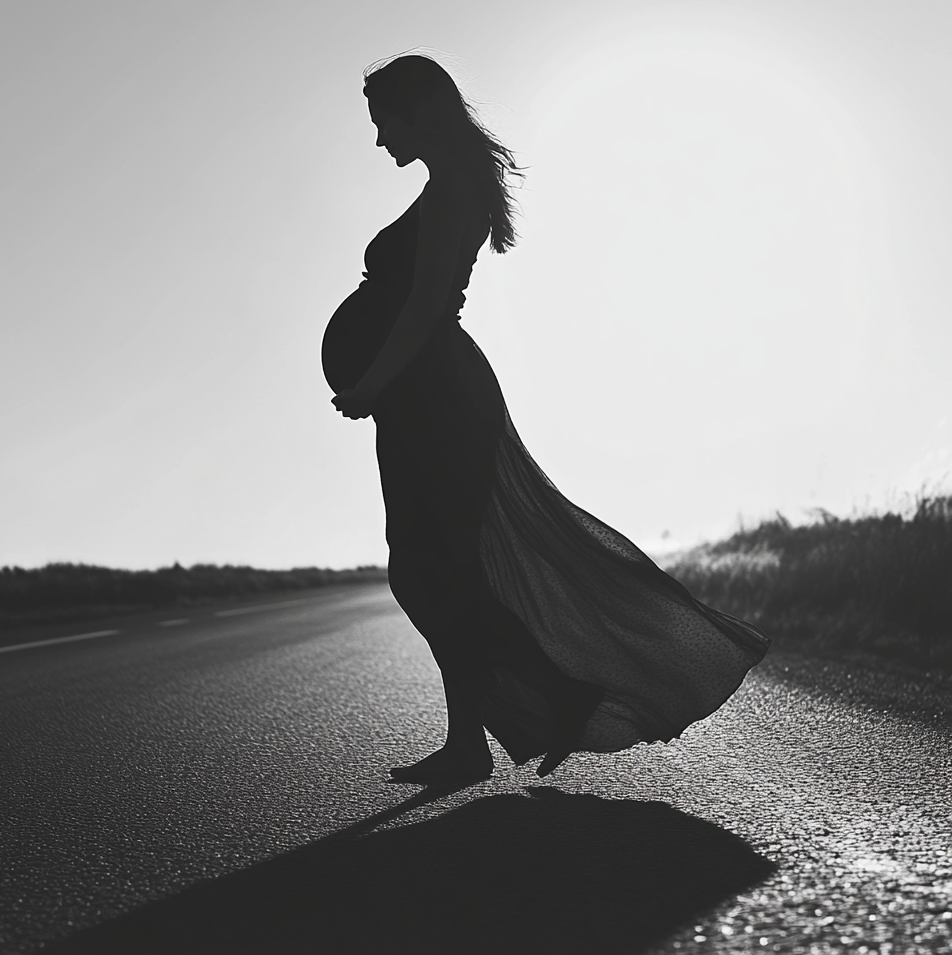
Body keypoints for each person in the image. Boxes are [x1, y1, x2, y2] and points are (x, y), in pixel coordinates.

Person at [322, 54, 770, 784]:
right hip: (420, 396)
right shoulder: (444, 187)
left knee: (430, 572)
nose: (379, 141)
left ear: (417, 111)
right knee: (436, 572)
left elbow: (425, 307)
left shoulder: (453, 193)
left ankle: (541, 704)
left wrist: (371, 380)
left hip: (433, 395)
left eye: (383, 123)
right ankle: (482, 734)